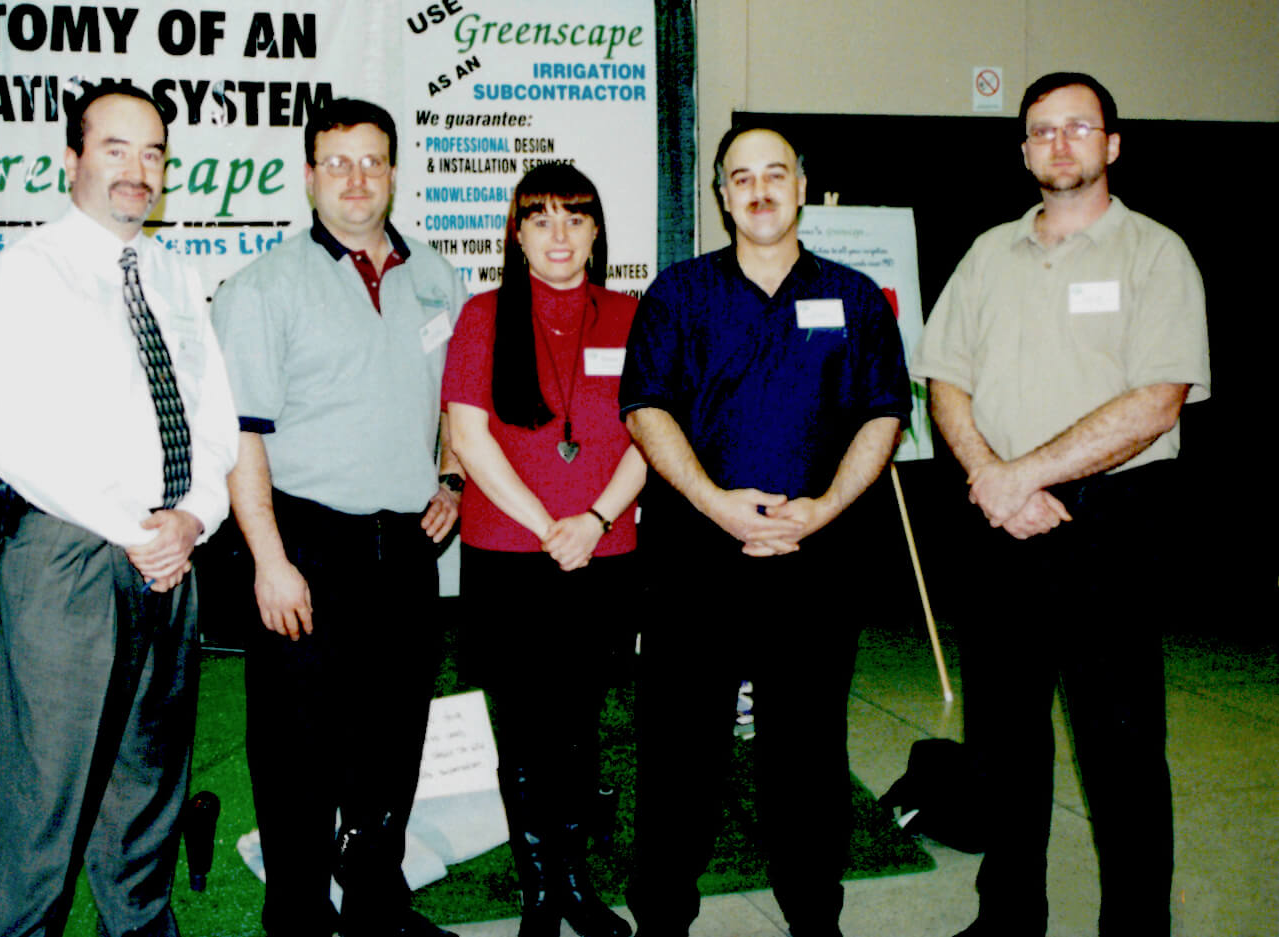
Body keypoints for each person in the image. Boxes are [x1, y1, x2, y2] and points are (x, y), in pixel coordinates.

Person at [911, 72, 1210, 937]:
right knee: (1004, 744)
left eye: (1078, 127)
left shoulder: (1154, 254)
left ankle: (1136, 924)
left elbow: (1157, 400)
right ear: (1022, 151)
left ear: (1111, 145)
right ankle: (1008, 917)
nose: (1060, 143)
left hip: (1108, 523)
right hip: (996, 518)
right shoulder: (985, 254)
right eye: (1041, 131)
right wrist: (992, 477)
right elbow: (945, 381)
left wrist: (1026, 474)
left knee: (1119, 749)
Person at [618, 123, 910, 937]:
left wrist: (821, 510)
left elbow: (882, 414)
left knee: (807, 757)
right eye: (739, 177)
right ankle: (662, 919)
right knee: (679, 755)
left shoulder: (854, 298)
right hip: (694, 561)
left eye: (773, 173)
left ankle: (815, 917)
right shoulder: (677, 295)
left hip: (814, 563)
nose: (757, 190)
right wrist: (713, 501)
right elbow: (645, 409)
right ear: (719, 197)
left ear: (802, 185)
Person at [0, 81, 239, 937]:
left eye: (153, 151)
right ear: (71, 159)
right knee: (48, 787)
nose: (137, 170)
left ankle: (140, 927)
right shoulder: (25, 273)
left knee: (149, 781)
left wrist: (190, 520)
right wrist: (135, 531)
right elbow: (14, 438)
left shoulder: (175, 274)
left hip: (171, 553)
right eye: (115, 148)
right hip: (69, 555)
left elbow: (216, 417)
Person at [211, 97, 466, 937]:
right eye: (339, 162)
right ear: (310, 174)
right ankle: (293, 913)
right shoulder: (262, 288)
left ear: (393, 170)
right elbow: (242, 437)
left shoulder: (434, 276)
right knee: (296, 749)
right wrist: (269, 561)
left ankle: (374, 904)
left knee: (391, 741)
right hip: (305, 544)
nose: (358, 179)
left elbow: (456, 405)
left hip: (406, 550)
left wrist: (453, 479)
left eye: (373, 161)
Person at [443, 163, 643, 937]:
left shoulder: (632, 316)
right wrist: (544, 524)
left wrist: (590, 518)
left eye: (574, 218)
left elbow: (652, 432)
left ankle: (574, 880)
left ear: (596, 230)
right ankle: (538, 892)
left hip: (605, 549)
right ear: (516, 233)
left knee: (581, 724)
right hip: (507, 556)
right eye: (539, 219)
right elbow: (468, 435)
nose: (558, 235)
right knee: (523, 729)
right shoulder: (483, 315)